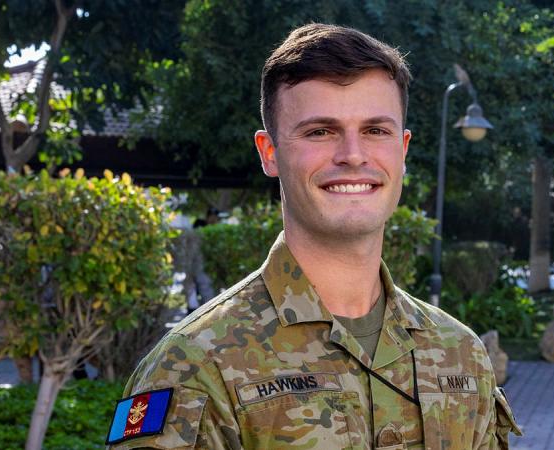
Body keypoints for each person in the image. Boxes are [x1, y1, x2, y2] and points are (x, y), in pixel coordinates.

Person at [106, 23, 521, 449]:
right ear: (270, 153)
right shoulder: (194, 366)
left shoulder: (461, 355)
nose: (353, 155)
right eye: (320, 131)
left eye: (376, 130)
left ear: (403, 149)